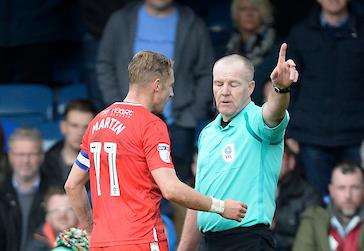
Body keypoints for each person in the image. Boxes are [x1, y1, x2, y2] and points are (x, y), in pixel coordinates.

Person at [65, 51, 247, 250]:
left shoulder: (97, 123)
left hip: (101, 243)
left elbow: (72, 185)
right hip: (141, 240)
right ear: (157, 85)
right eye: (170, 85)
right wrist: (220, 207)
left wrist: (91, 230)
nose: (171, 94)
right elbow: (170, 188)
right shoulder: (151, 125)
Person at [178, 43, 299, 251]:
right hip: (208, 243)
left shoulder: (257, 121)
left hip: (248, 240)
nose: (224, 91)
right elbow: (200, 196)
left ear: (250, 87)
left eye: (233, 84)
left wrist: (280, 88)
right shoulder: (207, 133)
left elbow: (274, 111)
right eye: (218, 84)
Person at [97, 0, 214, 183]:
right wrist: (118, 105)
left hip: (178, 123)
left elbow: (206, 71)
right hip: (128, 125)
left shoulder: (192, 23)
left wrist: (192, 113)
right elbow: (104, 64)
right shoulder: (121, 20)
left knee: (178, 189)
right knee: (132, 184)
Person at [286, 0, 364, 196]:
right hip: (311, 136)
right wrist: (289, 131)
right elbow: (289, 86)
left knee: (353, 201)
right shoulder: (300, 33)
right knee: (317, 204)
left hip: (356, 136)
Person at [0, 128, 58, 251]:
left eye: (32, 154)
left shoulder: (55, 193)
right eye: (20, 154)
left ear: (42, 156)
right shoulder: (1, 191)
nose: (26, 161)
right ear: (10, 156)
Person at [293, 162, 364, 251]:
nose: (348, 195)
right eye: (341, 188)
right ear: (331, 190)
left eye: (355, 187)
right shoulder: (313, 219)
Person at [273, 141, 322, 251]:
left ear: (291, 162)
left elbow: (310, 238)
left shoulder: (308, 194)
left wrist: (277, 223)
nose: (272, 162)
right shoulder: (255, 189)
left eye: (278, 156)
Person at [42, 99, 97, 186]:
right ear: (63, 127)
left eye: (86, 127)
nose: (80, 132)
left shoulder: (101, 163)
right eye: (74, 126)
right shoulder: (46, 162)